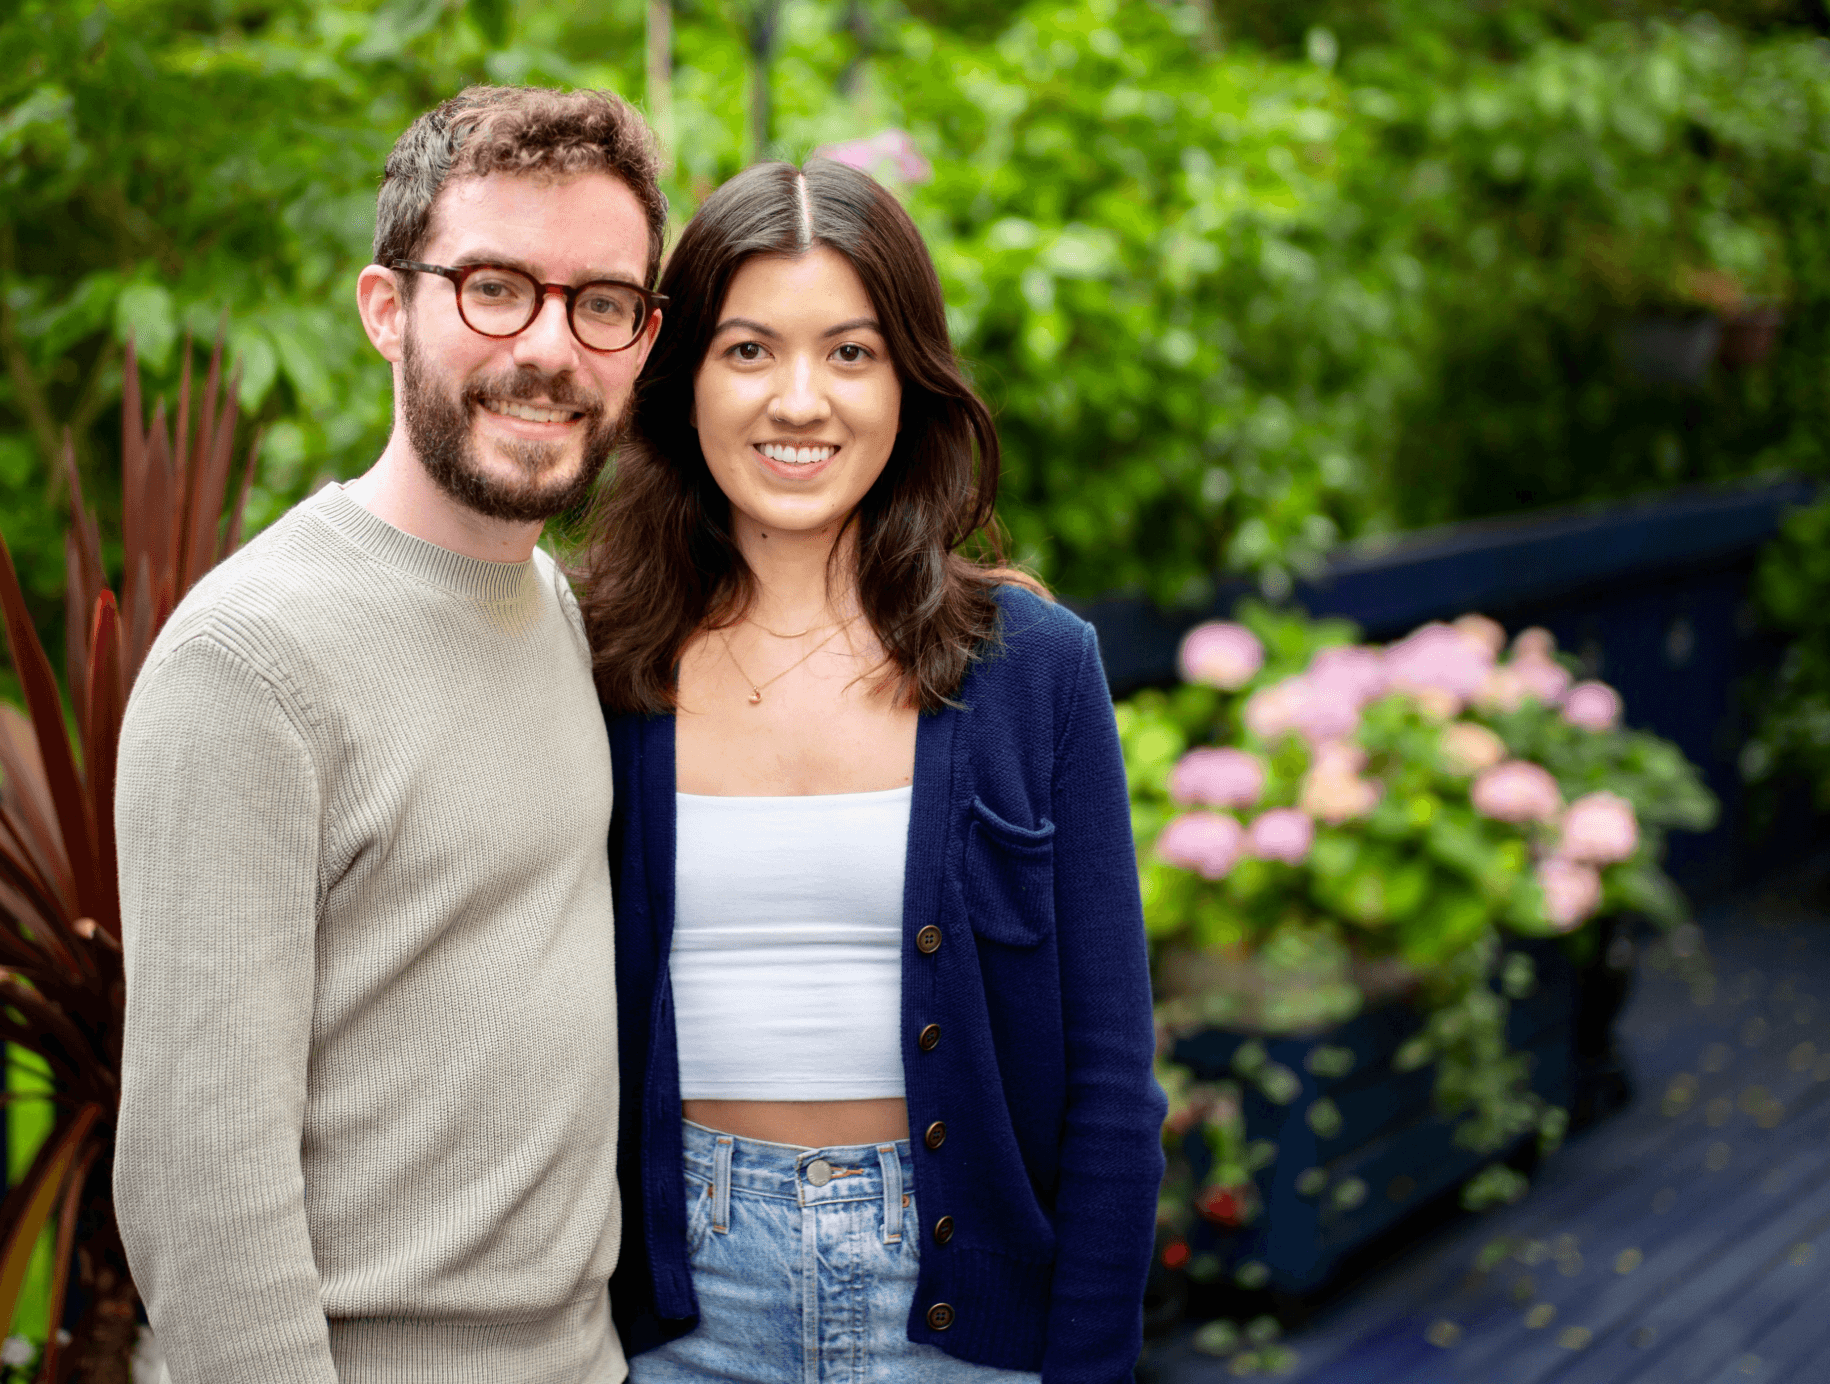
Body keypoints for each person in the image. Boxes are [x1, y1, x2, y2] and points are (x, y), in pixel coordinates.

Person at [577, 158, 1166, 1384]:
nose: (800, 400)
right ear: (681, 378)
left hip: (964, 1317)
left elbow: (1111, 1085)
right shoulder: (594, 664)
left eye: (849, 352)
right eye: (748, 350)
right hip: (674, 1315)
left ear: (910, 380)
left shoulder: (1035, 671)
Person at [112, 85, 664, 1384]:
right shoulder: (246, 663)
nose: (550, 347)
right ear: (384, 308)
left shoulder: (556, 609)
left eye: (600, 303)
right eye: (493, 288)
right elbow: (201, 1197)